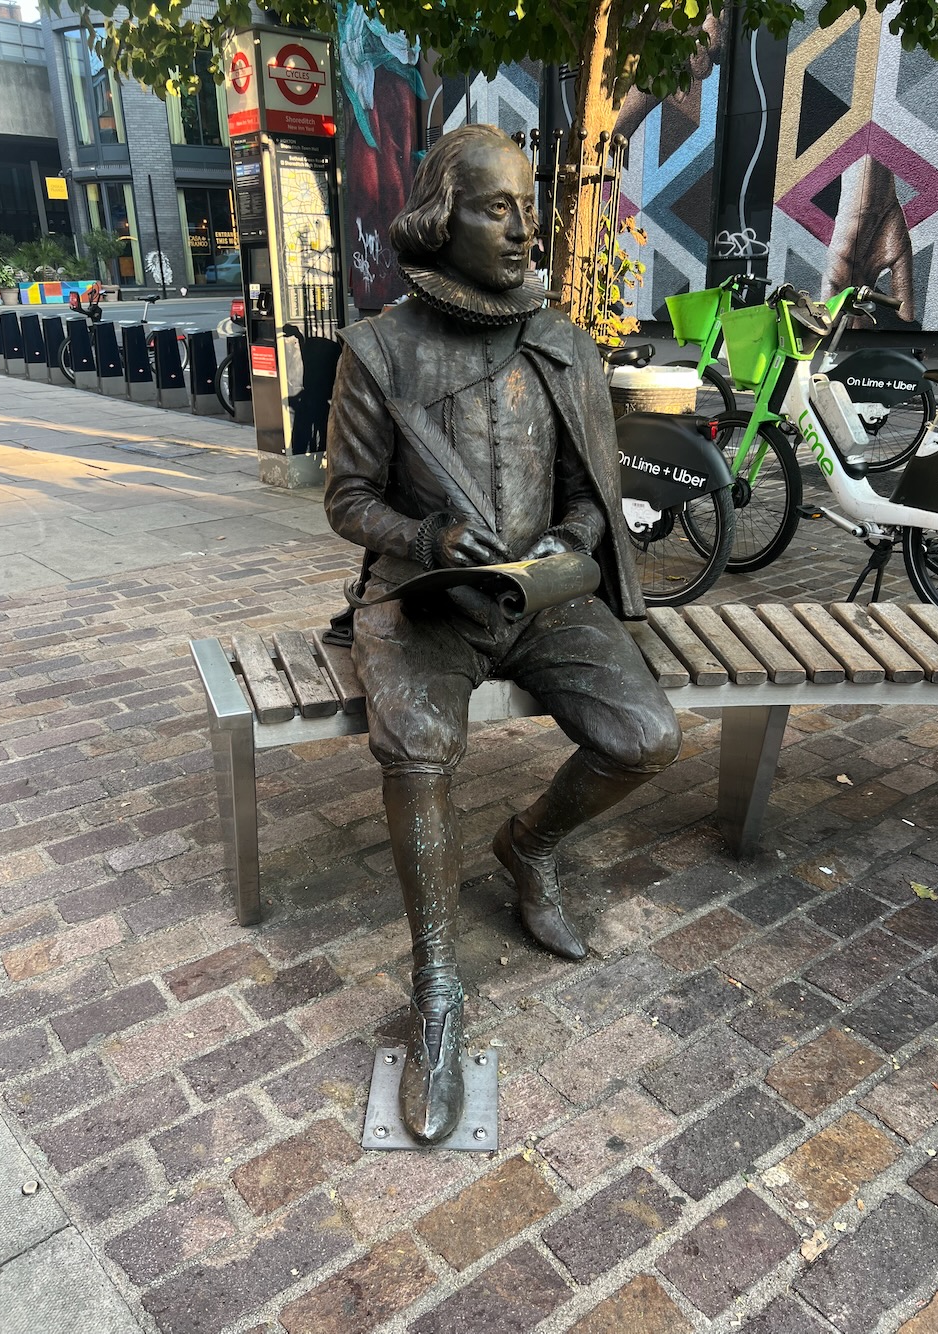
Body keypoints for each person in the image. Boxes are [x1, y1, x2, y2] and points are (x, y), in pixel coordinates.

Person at [324, 124, 681, 1145]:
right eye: (497, 208)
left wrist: (568, 537)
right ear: (442, 221)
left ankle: (529, 846)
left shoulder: (562, 342)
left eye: (528, 206)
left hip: (542, 597)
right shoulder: (379, 349)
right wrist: (426, 533)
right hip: (422, 595)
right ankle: (436, 984)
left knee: (644, 736)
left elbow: (585, 494)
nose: (525, 229)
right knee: (422, 744)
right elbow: (346, 499)